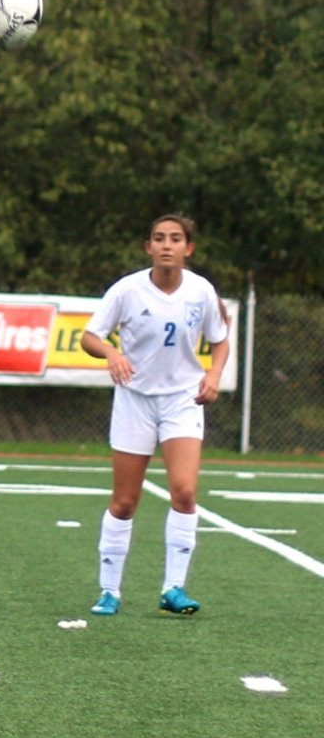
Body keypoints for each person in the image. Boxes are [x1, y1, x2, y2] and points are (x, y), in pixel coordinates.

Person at [80, 213, 229, 617]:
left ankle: (174, 588)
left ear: (188, 248)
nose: (167, 245)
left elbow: (220, 340)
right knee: (126, 501)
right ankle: (109, 591)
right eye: (159, 238)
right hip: (135, 401)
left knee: (184, 491)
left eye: (176, 238)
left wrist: (214, 374)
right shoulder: (128, 290)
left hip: (182, 401)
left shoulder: (201, 291)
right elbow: (89, 336)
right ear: (148, 247)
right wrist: (112, 352)